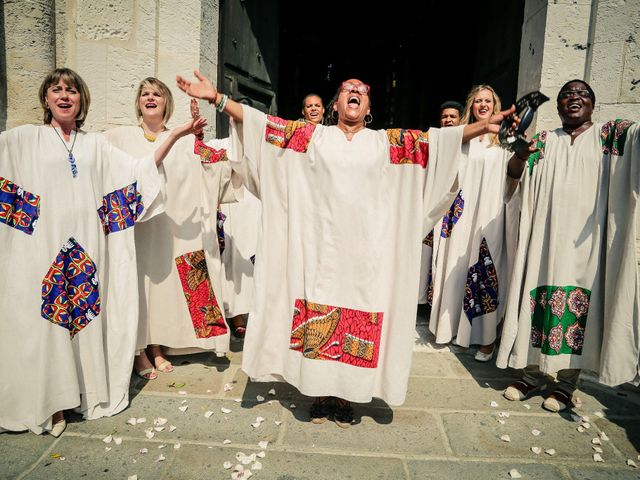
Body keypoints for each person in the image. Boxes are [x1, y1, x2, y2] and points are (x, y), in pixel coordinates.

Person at [176, 70, 516, 427]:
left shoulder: (386, 143)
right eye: (347, 89)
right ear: (336, 104)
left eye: (361, 90)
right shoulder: (310, 137)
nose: (354, 92)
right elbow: (264, 126)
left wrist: (482, 126)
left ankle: (347, 395)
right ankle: (320, 392)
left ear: (368, 107)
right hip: (319, 248)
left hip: (366, 252)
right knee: (319, 313)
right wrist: (217, 99)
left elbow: (439, 142)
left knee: (358, 317)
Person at [0, 68, 205, 436]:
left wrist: (175, 134)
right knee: (49, 320)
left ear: (82, 100)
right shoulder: (25, 139)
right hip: (44, 247)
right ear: (46, 98)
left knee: (86, 317)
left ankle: (83, 391)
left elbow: (138, 172)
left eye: (72, 90)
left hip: (89, 249)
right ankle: (53, 402)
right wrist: (27, 220)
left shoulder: (94, 145)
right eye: (57, 90)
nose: (65, 96)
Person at [497, 79, 640, 413]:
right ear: (559, 105)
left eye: (582, 95)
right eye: (566, 96)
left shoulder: (611, 136)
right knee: (538, 301)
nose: (574, 99)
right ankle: (531, 375)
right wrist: (519, 154)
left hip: (587, 245)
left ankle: (565, 383)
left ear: (592, 103)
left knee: (579, 310)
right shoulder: (545, 141)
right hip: (546, 238)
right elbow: (514, 175)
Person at [105, 78, 241, 375]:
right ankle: (139, 352)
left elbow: (209, 168)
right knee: (136, 286)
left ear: (167, 102)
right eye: (145, 94)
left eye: (157, 94)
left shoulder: (183, 141)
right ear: (138, 102)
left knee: (160, 289)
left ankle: (156, 345)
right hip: (136, 228)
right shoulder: (119, 137)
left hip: (167, 228)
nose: (150, 98)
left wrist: (205, 140)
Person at [428, 86, 513, 362]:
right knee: (456, 267)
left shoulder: (506, 137)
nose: (483, 104)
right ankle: (451, 328)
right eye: (478, 101)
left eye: (488, 100)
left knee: (488, 268)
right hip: (462, 212)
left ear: (495, 104)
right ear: (471, 106)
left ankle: (486, 339)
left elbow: (516, 174)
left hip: (491, 211)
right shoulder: (463, 135)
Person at [418, 99, 465, 307]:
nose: (447, 120)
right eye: (444, 117)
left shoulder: (468, 145)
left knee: (447, 256)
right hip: (433, 205)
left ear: (460, 120)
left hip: (456, 209)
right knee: (426, 256)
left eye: (452, 117)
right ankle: (421, 302)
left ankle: (441, 304)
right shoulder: (433, 142)